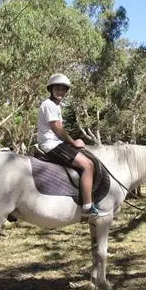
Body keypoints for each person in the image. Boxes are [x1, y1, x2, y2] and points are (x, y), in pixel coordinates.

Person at [37, 73, 98, 219]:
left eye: (64, 89)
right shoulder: (49, 105)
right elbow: (57, 128)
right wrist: (73, 142)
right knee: (88, 165)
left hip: (56, 143)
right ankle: (87, 206)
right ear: (50, 89)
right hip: (51, 145)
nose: (61, 92)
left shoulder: (55, 106)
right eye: (58, 88)